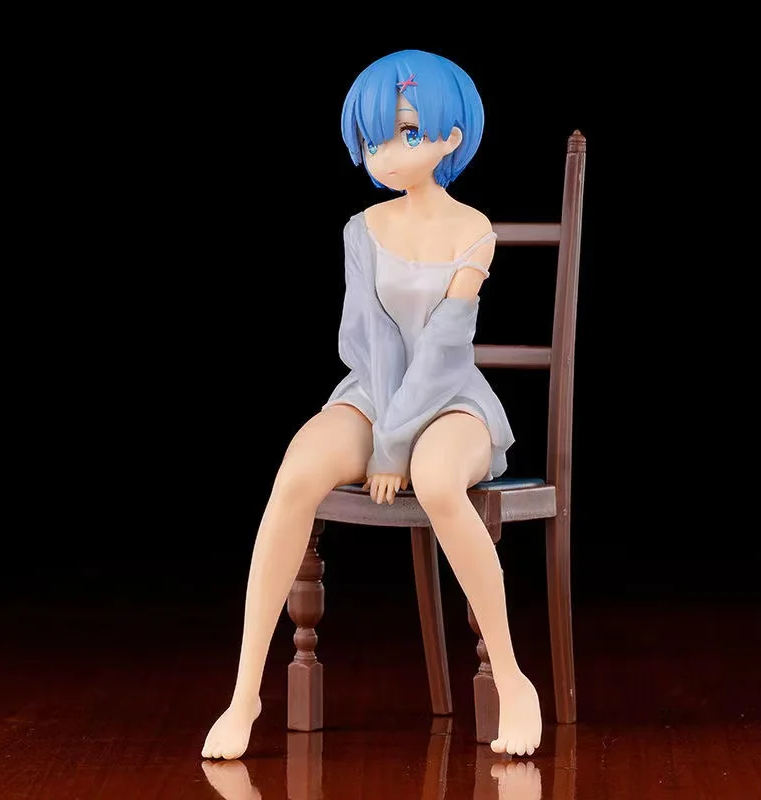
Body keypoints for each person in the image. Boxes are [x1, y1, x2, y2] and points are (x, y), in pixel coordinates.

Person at [201, 49, 542, 760]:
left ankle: (513, 678)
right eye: (374, 137)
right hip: (374, 389)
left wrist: (397, 445)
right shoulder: (362, 227)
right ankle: (244, 692)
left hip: (451, 398)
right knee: (296, 471)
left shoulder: (473, 230)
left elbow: (443, 347)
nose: (387, 152)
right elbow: (369, 338)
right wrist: (384, 433)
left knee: (439, 481)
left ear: (451, 136)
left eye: (408, 132)